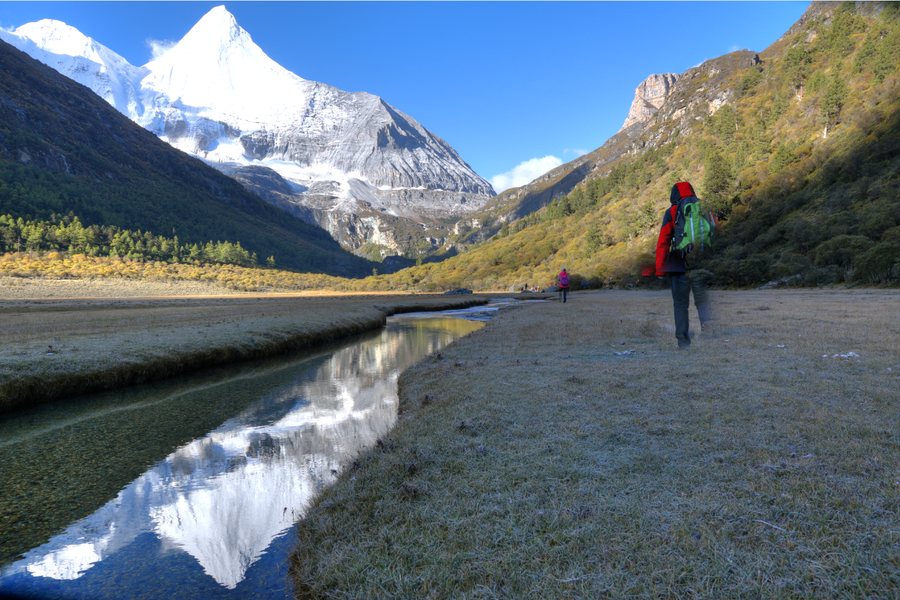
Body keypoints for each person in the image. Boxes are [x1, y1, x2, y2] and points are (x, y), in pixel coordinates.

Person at [656, 182, 712, 348]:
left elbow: (663, 241)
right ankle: (709, 333)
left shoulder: (672, 211)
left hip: (679, 265)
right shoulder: (703, 207)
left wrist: (660, 268)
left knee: (681, 305)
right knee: (702, 302)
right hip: (701, 264)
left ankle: (683, 341)